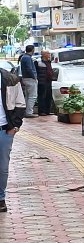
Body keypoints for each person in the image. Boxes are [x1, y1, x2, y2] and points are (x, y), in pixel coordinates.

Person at [0, 66, 26, 212]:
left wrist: (15, 127)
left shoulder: (10, 79)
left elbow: (20, 104)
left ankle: (0, 198)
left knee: (2, 167)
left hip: (4, 130)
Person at [18, 46, 37, 118]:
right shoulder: (28, 58)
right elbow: (29, 69)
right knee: (32, 96)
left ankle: (26, 111)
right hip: (30, 79)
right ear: (32, 50)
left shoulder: (23, 57)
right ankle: (29, 112)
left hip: (25, 78)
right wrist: (34, 77)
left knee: (28, 96)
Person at [35, 51, 55, 116]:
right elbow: (35, 71)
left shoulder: (49, 61)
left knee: (48, 96)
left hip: (49, 81)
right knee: (42, 96)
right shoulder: (38, 62)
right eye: (48, 53)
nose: (49, 55)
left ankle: (47, 110)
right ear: (43, 55)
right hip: (42, 81)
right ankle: (42, 111)